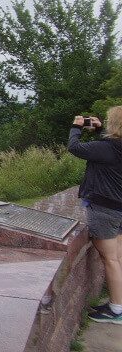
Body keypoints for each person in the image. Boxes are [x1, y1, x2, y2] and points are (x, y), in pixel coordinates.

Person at [68, 106, 122, 324]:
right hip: (119, 208)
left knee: (110, 260)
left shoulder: (106, 148)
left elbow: (74, 148)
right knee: (117, 258)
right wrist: (100, 132)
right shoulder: (112, 147)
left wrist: (76, 127)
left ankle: (116, 310)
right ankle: (117, 302)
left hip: (105, 210)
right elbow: (110, 149)